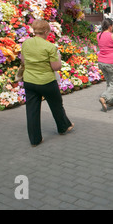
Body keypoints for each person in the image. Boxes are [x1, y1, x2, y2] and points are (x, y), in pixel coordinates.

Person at [20, 19, 74, 147]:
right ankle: (63, 127)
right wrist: (59, 58)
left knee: (32, 111)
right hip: (46, 81)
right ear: (45, 31)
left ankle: (35, 140)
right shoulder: (49, 47)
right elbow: (56, 67)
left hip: (29, 81)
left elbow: (23, 60)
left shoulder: (26, 43)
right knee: (56, 105)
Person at [97, 18, 113, 112]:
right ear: (110, 26)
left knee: (109, 82)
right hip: (111, 61)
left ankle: (112, 101)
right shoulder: (112, 35)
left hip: (101, 61)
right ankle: (105, 97)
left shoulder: (98, 35)